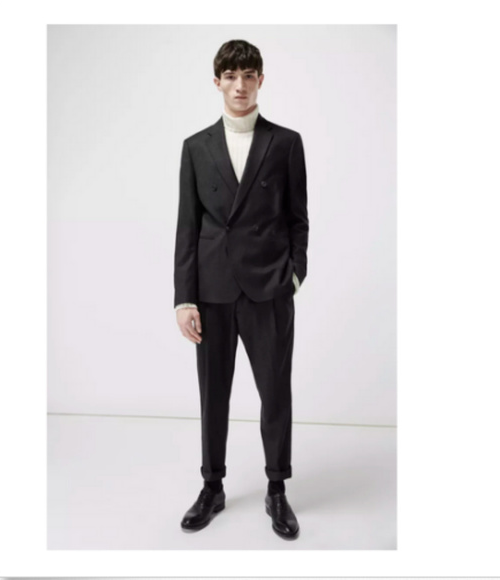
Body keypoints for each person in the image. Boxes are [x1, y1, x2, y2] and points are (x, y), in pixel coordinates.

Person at [173, 39, 309, 540]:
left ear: (260, 81)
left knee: (275, 392)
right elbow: (188, 227)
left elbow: (298, 219)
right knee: (213, 395)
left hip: (269, 289)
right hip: (211, 291)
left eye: (249, 75)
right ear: (217, 82)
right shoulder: (196, 147)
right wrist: (184, 298)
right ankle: (212, 487)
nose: (240, 85)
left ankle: (277, 488)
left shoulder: (286, 143)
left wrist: (293, 276)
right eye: (231, 76)